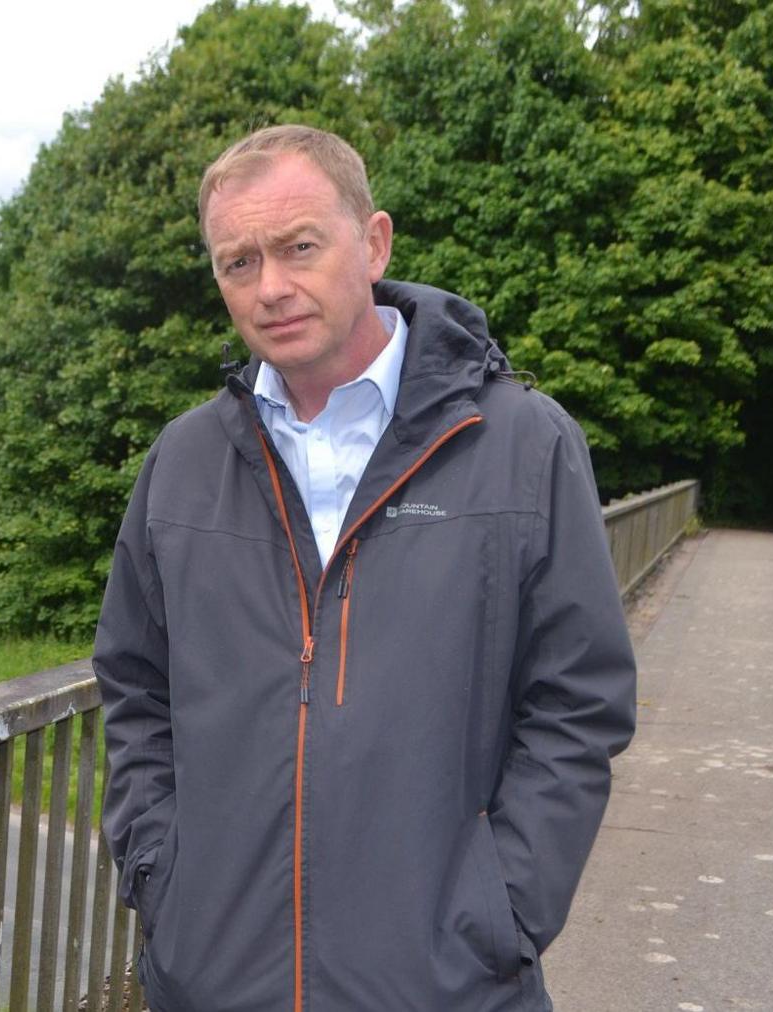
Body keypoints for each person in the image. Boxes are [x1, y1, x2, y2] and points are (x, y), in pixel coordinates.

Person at [94, 124, 637, 1010]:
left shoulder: (523, 446)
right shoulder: (183, 462)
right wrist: (163, 875)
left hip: (447, 985)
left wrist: (500, 911)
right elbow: (134, 686)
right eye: (238, 263)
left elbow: (579, 703)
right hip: (215, 978)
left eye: (299, 246)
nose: (271, 287)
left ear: (374, 241)